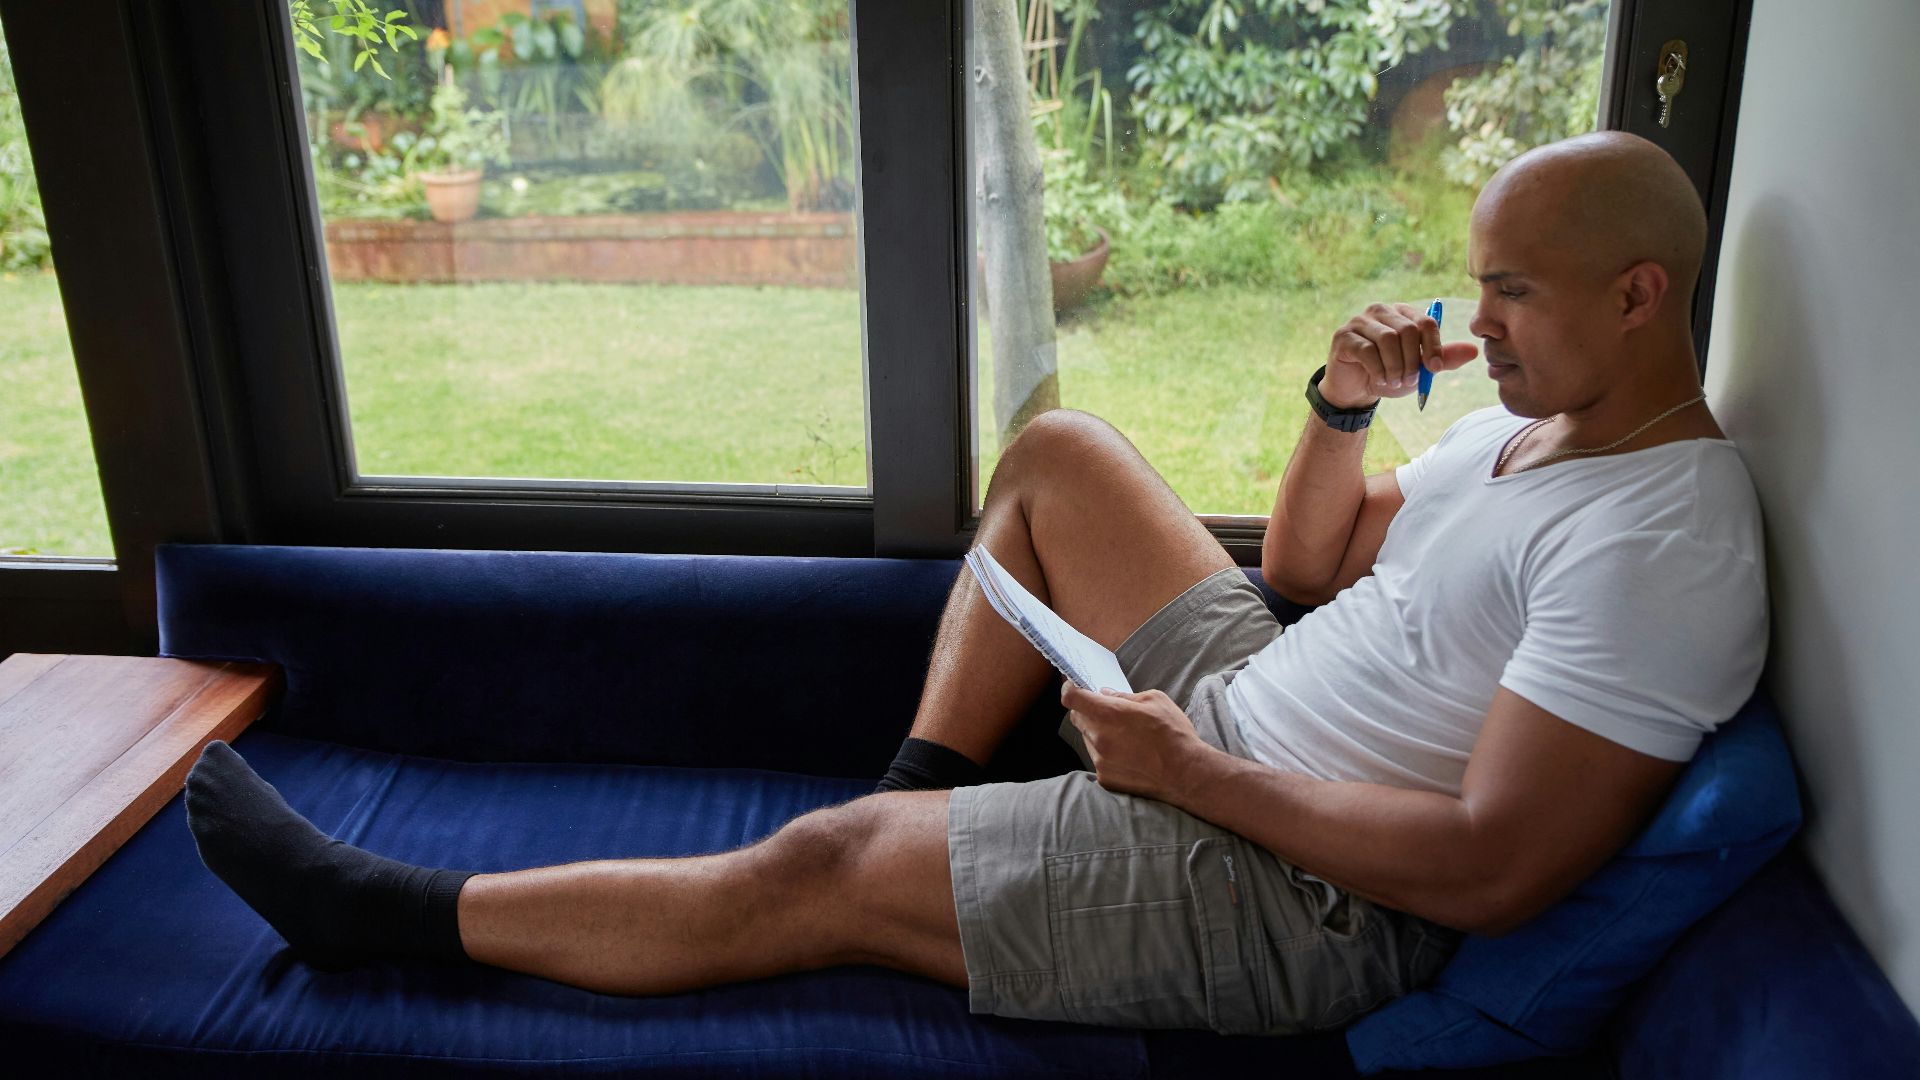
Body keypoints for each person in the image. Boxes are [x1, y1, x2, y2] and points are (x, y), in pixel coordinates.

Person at [183, 130, 1767, 1035]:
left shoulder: (1667, 542)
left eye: (1510, 295)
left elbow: (1494, 874)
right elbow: (1301, 565)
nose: (1474, 327)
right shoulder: (1524, 431)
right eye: (1476, 288)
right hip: (1241, 715)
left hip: (1306, 887)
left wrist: (1192, 775)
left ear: (1639, 297)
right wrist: (1340, 408)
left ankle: (378, 913)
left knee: (812, 866)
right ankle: (923, 795)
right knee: (1060, 454)